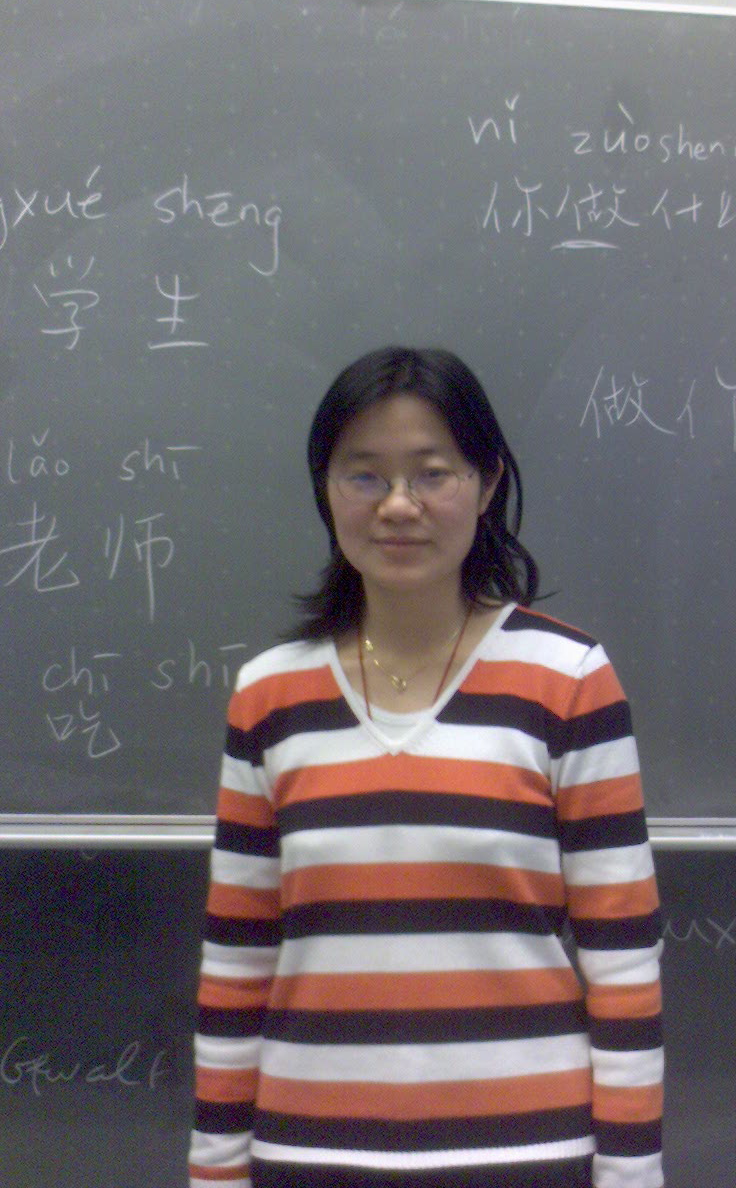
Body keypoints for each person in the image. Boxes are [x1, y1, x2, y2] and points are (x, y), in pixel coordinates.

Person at [188, 346, 664, 1188]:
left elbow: (622, 962)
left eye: (432, 473)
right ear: (326, 490)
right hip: (310, 1153)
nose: (398, 505)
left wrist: (631, 1176)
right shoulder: (270, 695)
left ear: (486, 485)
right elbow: (237, 962)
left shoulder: (568, 681)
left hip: (525, 1154)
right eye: (364, 475)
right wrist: (217, 1170)